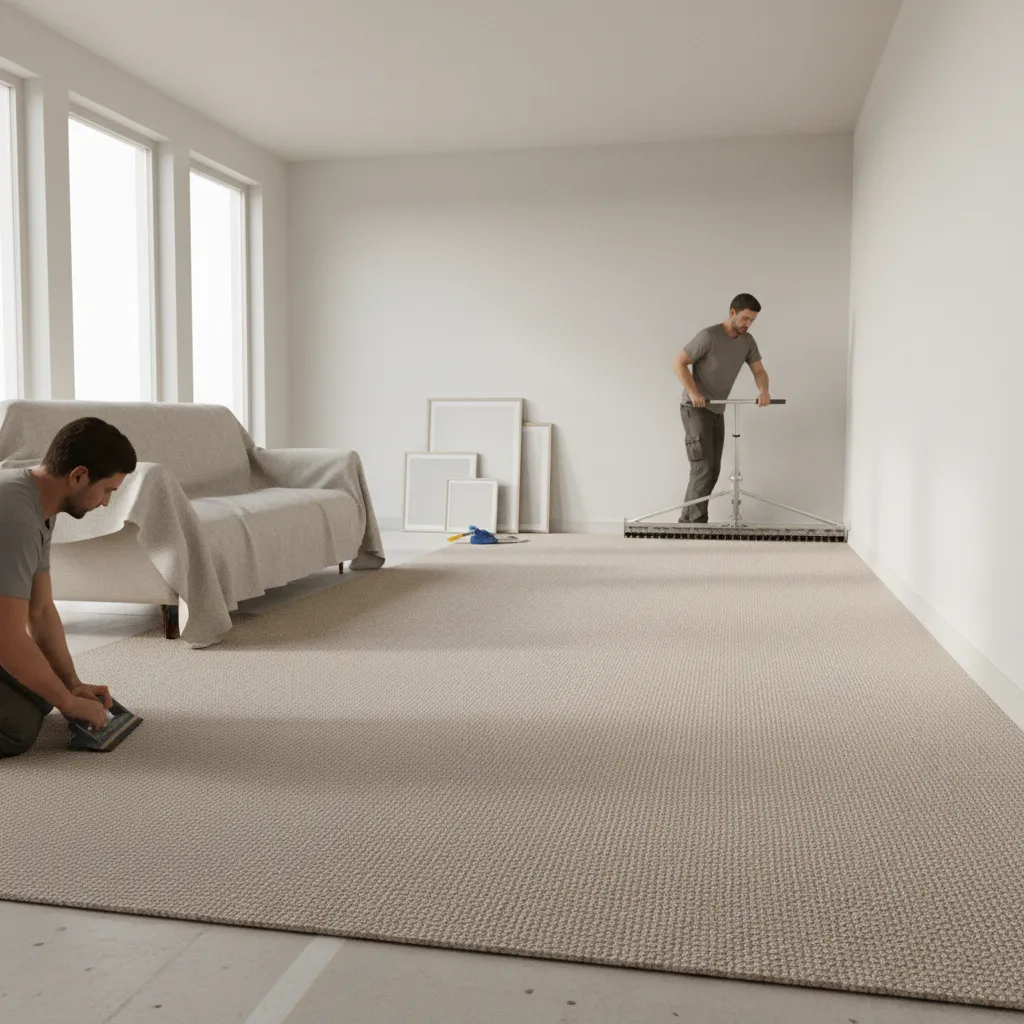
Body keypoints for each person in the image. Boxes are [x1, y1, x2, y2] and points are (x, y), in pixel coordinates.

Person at [0, 417, 137, 757]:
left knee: (42, 692)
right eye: (108, 490)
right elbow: (7, 636)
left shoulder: (39, 508)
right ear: (78, 476)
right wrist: (66, 702)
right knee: (16, 727)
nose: (106, 502)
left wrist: (72, 687)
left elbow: (41, 610)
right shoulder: (15, 516)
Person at [672, 294, 772, 523]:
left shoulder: (747, 341)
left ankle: (687, 522)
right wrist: (695, 393)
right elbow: (678, 362)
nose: (748, 324)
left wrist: (764, 391)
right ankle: (695, 524)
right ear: (732, 313)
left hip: (717, 410)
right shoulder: (708, 336)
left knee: (713, 470)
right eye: (745, 318)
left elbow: (759, 371)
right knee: (703, 467)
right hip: (695, 409)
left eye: (752, 321)